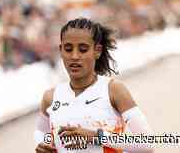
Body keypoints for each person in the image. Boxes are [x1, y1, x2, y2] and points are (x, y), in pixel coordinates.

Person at [34, 18, 154, 153]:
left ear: (97, 51)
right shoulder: (50, 97)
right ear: (61, 51)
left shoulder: (113, 90)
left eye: (83, 50)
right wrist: (43, 144)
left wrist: (96, 136)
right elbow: (41, 132)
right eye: (68, 49)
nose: (74, 56)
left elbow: (147, 144)